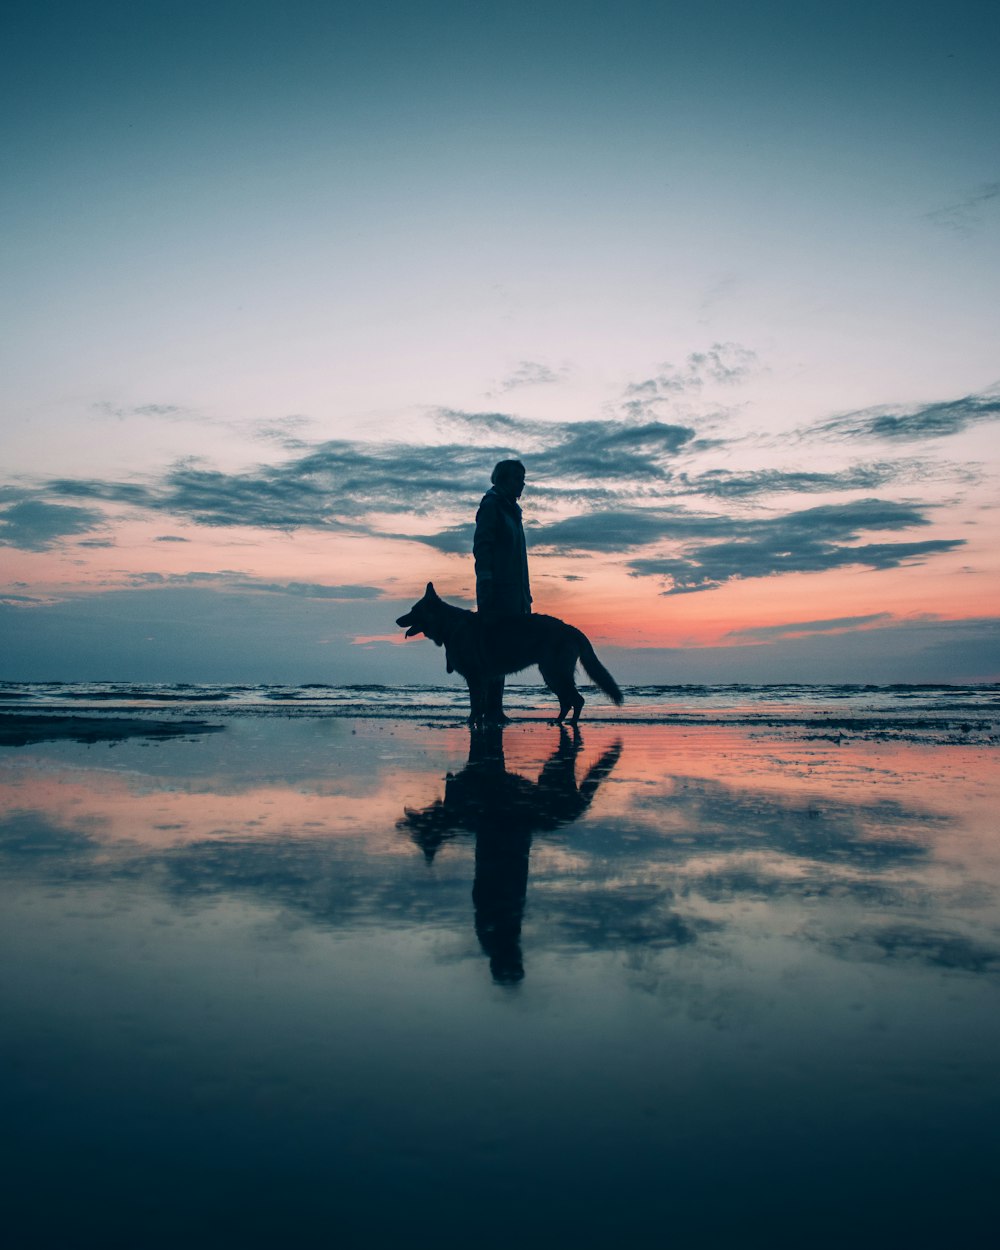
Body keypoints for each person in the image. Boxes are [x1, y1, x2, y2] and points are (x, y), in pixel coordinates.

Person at [473, 459, 531, 723]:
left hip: (514, 594)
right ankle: (488, 709)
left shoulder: (512, 510)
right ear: (504, 479)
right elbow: (482, 547)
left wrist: (525, 594)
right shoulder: (492, 506)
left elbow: (519, 560)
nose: (523, 483)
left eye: (523, 478)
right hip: (496, 593)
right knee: (493, 651)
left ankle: (494, 708)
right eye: (519, 478)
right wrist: (485, 584)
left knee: (505, 650)